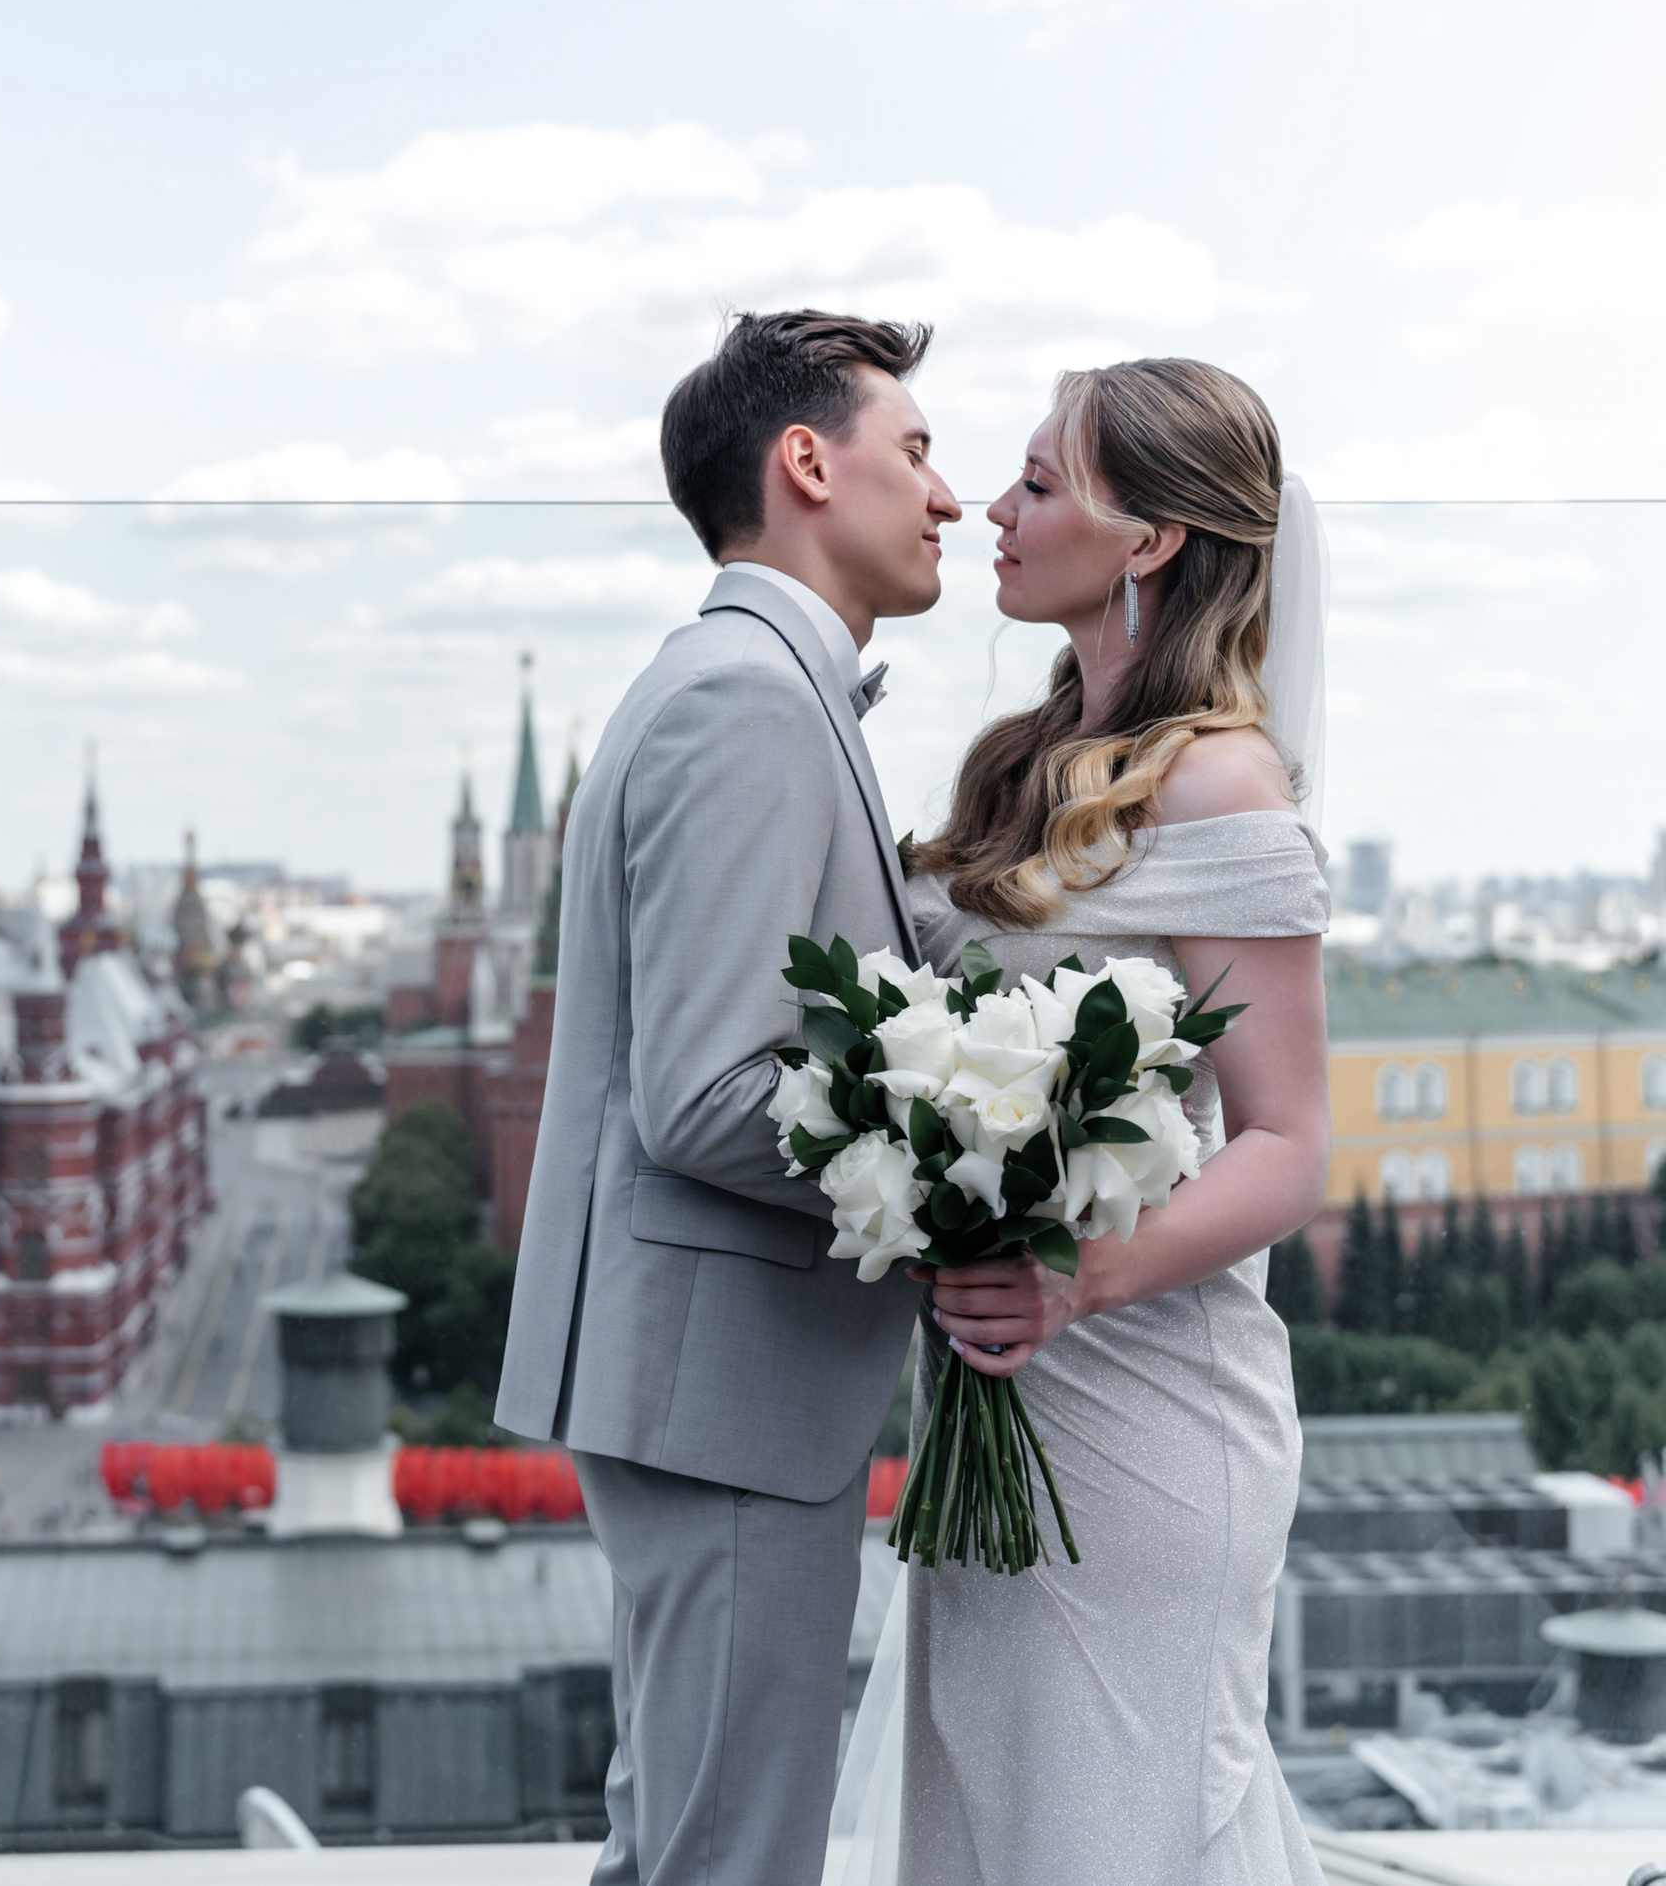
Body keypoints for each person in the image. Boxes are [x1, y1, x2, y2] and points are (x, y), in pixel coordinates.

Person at [845, 357, 1333, 1885]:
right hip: (993, 1398)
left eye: (1040, 481)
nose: (992, 505)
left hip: (1147, 1419)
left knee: (1110, 1826)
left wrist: (1081, 1276)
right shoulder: (1020, 769)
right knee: (993, 1814)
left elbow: (1289, 1142)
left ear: (1150, 540)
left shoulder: (1222, 786)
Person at [494, 308, 959, 1884]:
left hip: (708, 1386)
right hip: (727, 1394)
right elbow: (703, 1092)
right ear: (807, 463)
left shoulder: (753, 685)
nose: (948, 495)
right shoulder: (746, 698)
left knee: (686, 1840)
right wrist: (960, 1180)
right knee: (732, 1856)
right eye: (917, 450)